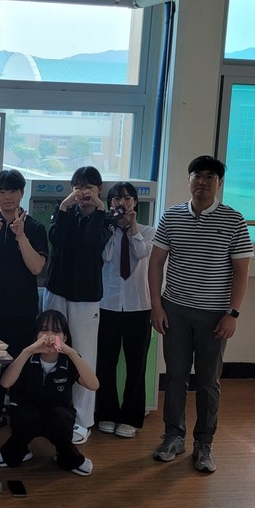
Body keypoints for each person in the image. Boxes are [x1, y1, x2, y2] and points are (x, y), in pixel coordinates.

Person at [149, 155, 253, 473]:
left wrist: (233, 313)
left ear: (219, 183)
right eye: (197, 175)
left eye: (210, 176)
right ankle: (173, 437)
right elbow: (156, 263)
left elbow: (241, 271)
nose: (202, 182)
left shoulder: (234, 220)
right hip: (175, 310)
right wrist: (156, 305)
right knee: (175, 377)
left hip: (214, 315)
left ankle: (204, 444)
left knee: (208, 381)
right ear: (189, 180)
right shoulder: (171, 216)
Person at [0, 169, 48, 432]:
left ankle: (17, 413)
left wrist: (21, 235)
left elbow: (36, 267)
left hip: (22, 309)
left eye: (13, 191)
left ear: (22, 193)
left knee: (19, 362)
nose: (7, 196)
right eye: (2, 191)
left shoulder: (35, 227)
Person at [42, 166, 110, 445]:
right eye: (78, 187)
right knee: (51, 349)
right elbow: (57, 240)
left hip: (85, 298)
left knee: (82, 355)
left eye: (89, 187)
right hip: (57, 292)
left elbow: (92, 243)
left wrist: (99, 210)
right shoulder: (63, 213)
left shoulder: (105, 219)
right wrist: (64, 207)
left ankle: (82, 419)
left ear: (99, 190)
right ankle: (50, 411)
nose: (83, 193)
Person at [0, 310, 99, 476]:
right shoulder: (26, 354)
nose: (49, 336)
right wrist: (28, 351)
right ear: (36, 334)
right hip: (27, 411)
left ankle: (66, 455)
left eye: (56, 331)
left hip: (58, 413)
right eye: (43, 330)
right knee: (25, 417)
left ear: (64, 337)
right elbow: (5, 382)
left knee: (61, 418)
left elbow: (94, 385)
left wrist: (71, 352)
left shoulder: (69, 359)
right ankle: (18, 450)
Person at [96, 182, 155, 439]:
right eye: (117, 199)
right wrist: (112, 227)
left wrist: (132, 228)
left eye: (128, 198)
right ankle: (107, 413)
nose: (123, 203)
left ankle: (131, 417)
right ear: (109, 203)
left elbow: (141, 253)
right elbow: (106, 256)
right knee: (106, 362)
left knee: (136, 365)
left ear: (135, 203)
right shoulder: (103, 231)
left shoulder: (148, 231)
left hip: (138, 306)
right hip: (107, 305)